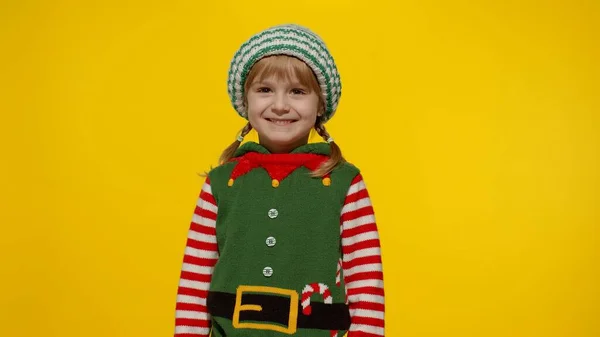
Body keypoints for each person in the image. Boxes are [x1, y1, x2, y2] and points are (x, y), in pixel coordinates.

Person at [174, 23, 385, 337]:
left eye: (297, 92)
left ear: (320, 105)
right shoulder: (221, 183)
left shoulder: (343, 182)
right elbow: (195, 277)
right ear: (246, 101)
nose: (280, 105)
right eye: (265, 90)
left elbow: (366, 275)